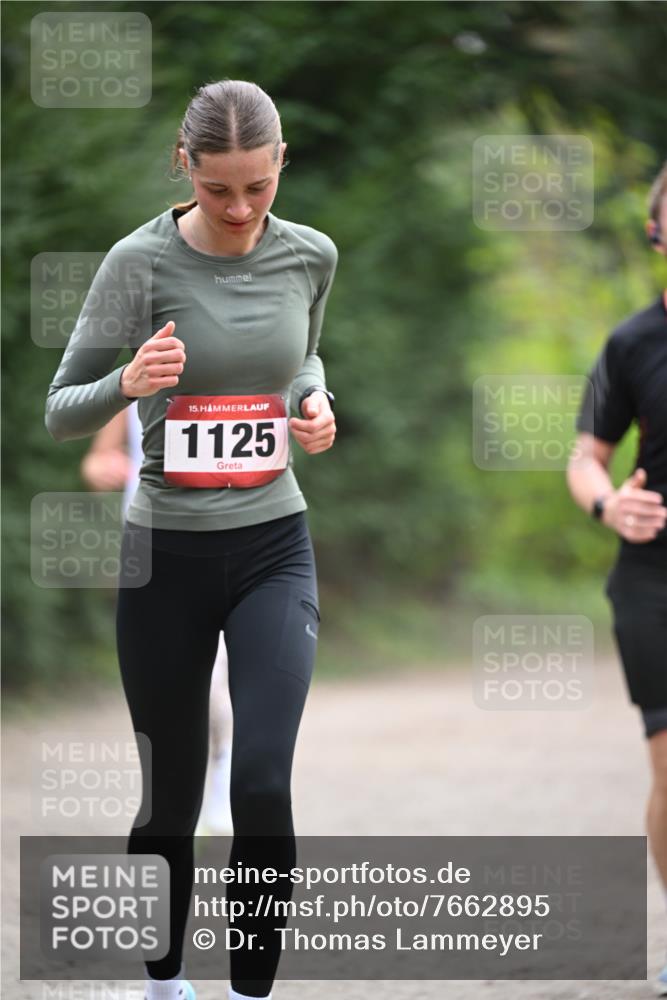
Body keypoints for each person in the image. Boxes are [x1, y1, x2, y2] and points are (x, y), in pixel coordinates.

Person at [45, 79, 338, 1000]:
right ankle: (165, 981)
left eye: (259, 185)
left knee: (257, 781)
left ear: (281, 161)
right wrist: (128, 382)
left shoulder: (311, 255)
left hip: (272, 547)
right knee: (171, 797)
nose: (243, 208)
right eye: (220, 190)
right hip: (163, 559)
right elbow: (60, 410)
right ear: (186, 167)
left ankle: (251, 991)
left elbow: (301, 355)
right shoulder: (135, 264)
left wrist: (313, 401)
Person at [567, 161, 667, 994]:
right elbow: (585, 459)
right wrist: (609, 509)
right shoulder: (631, 345)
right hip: (653, 578)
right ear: (656, 232)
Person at [80, 405, 234, 836]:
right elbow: (96, 459)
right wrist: (101, 470)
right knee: (169, 683)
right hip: (149, 546)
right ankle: (179, 800)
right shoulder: (136, 379)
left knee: (213, 683)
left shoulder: (236, 363)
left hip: (226, 541)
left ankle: (221, 782)